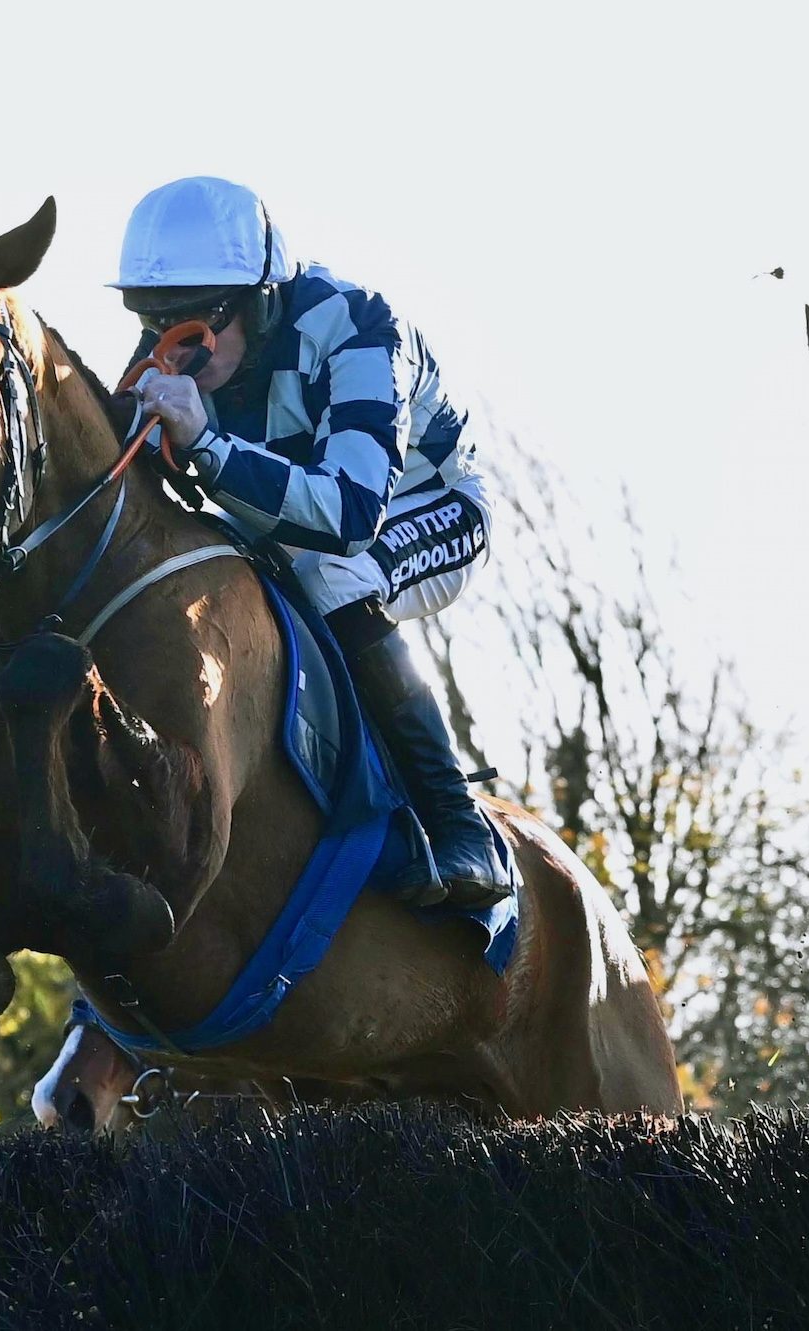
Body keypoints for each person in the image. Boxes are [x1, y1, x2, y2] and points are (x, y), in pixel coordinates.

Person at [113, 176, 507, 907]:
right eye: (153, 317)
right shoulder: (186, 339)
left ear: (263, 298)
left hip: (429, 508)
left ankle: (461, 827)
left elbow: (351, 514)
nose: (176, 343)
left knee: (332, 574)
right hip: (306, 521)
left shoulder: (360, 327)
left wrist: (205, 442)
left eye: (199, 318)